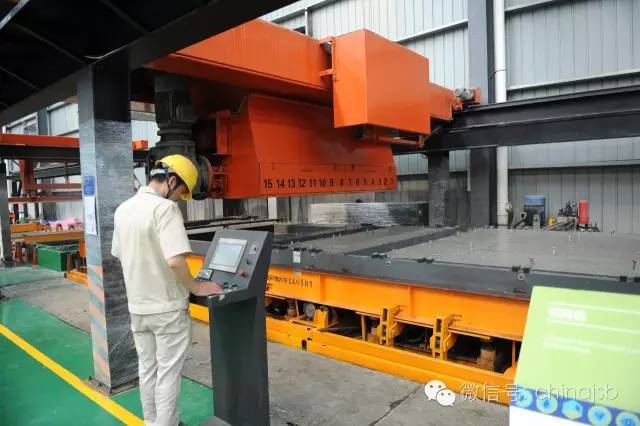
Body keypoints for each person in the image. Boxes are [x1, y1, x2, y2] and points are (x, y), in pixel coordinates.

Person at [112, 154, 222, 426]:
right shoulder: (164, 209)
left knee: (147, 370)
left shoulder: (123, 209)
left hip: (138, 308)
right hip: (167, 310)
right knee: (168, 375)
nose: (178, 199)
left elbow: (119, 254)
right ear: (171, 181)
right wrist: (196, 286)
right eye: (181, 192)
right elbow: (174, 261)